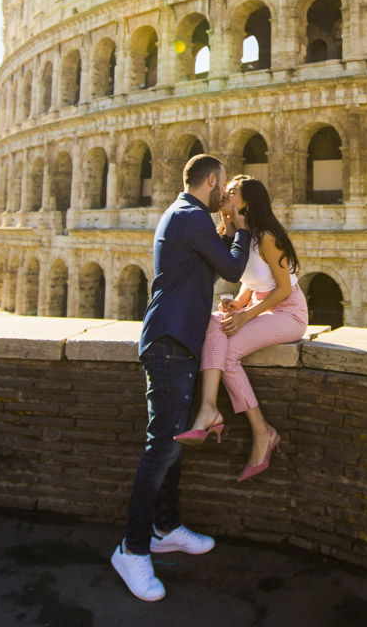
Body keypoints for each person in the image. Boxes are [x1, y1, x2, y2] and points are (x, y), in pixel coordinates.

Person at [111, 153, 253, 603]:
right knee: (162, 446)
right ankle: (131, 549)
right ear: (211, 181)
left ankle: (165, 527)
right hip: (170, 342)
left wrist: (228, 230)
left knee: (175, 440)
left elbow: (213, 263)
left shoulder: (188, 218)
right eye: (224, 187)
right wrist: (244, 225)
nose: (225, 195)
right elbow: (232, 270)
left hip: (178, 341)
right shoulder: (189, 216)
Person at [176, 175, 307, 482]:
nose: (225, 193)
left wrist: (247, 316)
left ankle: (262, 432)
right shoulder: (240, 234)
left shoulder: (268, 237)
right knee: (213, 322)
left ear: (246, 202)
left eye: (232, 192)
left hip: (289, 313)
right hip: (262, 306)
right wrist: (238, 304)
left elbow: (284, 289)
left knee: (229, 353)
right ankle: (209, 408)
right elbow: (251, 280)